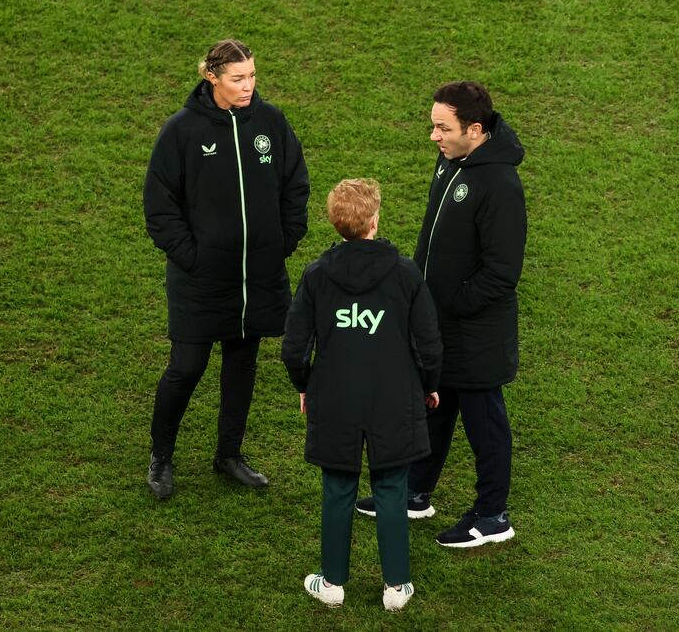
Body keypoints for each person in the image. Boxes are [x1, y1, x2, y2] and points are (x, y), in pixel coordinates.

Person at [355, 81, 527, 548]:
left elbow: (502, 272)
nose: (433, 135)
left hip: (475, 331)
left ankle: (493, 515)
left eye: (442, 127)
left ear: (474, 129)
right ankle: (414, 492)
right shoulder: (452, 160)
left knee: (484, 422)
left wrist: (449, 305)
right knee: (435, 404)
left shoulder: (500, 185)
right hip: (439, 320)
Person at [143, 39, 309, 498]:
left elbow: (296, 184)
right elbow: (160, 206)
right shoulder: (181, 131)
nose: (248, 86)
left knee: (242, 366)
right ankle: (161, 457)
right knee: (186, 368)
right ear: (211, 77)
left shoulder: (271, 122)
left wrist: (282, 242)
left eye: (252, 76)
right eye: (238, 78)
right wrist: (192, 257)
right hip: (200, 280)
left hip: (255, 276)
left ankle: (229, 455)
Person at [281, 179, 442, 610]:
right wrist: (429, 385)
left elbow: (294, 347)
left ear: (336, 224)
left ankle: (332, 583)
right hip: (395, 398)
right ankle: (396, 588)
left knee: (337, 488)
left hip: (335, 398)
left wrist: (304, 385)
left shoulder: (316, 275)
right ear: (375, 220)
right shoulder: (405, 272)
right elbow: (429, 342)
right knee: (391, 487)